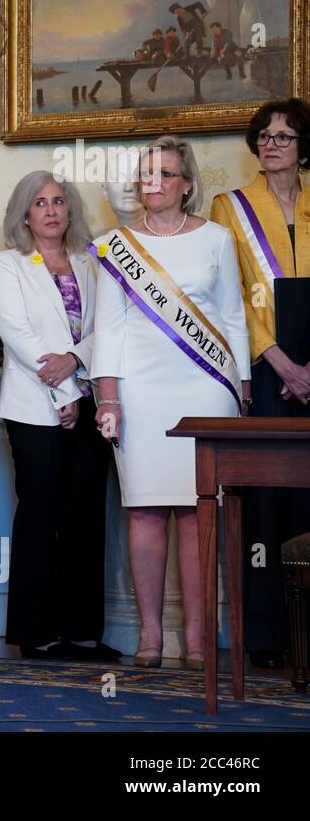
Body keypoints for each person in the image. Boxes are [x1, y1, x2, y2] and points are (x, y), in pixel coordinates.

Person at [90, 136, 251, 669]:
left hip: (205, 388)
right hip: (140, 389)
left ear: (187, 185)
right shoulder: (116, 245)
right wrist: (108, 397)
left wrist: (242, 387)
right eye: (146, 172)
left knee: (200, 513)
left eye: (165, 172)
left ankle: (202, 638)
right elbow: (108, 327)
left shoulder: (217, 239)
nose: (152, 181)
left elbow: (232, 318)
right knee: (144, 509)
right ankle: (152, 637)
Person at [0, 171, 117, 662]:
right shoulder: (8, 264)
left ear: (70, 210)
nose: (50, 210)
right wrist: (63, 390)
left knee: (85, 517)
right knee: (39, 516)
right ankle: (37, 633)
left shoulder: (93, 262)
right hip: (34, 408)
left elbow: (107, 325)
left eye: (59, 201)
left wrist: (78, 362)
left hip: (93, 404)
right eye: (39, 203)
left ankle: (83, 632)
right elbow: (17, 334)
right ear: (25, 213)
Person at [209, 98, 310, 670]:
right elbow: (232, 294)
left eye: (284, 136)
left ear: (302, 146)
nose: (271, 145)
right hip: (267, 374)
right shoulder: (231, 207)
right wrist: (279, 361)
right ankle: (268, 638)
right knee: (267, 506)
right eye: (264, 137)